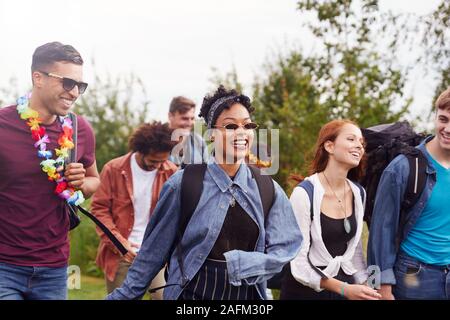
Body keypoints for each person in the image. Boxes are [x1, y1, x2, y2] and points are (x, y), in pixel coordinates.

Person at [107, 85, 302, 300]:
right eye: (230, 126)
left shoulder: (266, 187)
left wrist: (245, 265)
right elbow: (152, 254)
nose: (241, 133)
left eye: (247, 125)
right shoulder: (183, 184)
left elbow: (288, 246)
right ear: (211, 135)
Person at [0, 41, 99, 300]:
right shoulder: (2, 126)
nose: (75, 92)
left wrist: (81, 183)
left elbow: (94, 181)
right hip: (3, 266)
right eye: (68, 82)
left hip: (54, 269)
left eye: (80, 85)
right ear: (38, 78)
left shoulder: (81, 130)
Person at [281, 119, 381, 300]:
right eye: (351, 139)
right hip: (305, 292)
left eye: (361, 142)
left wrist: (366, 287)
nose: (359, 146)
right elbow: (298, 263)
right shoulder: (303, 194)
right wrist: (344, 289)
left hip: (344, 290)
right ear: (329, 146)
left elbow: (354, 253)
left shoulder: (359, 193)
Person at [368, 87, 450, 300]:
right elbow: (380, 233)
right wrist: (379, 288)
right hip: (414, 277)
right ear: (435, 117)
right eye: (443, 119)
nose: (447, 129)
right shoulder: (403, 167)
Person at [91, 121, 178, 300]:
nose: (159, 165)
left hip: (157, 253)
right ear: (141, 151)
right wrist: (120, 244)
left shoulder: (172, 172)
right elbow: (99, 211)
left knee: (166, 297)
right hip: (121, 254)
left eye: (163, 160)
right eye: (154, 161)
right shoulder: (113, 169)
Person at [168, 96, 208, 167]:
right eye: (184, 118)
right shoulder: (158, 141)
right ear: (170, 116)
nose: (189, 123)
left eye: (192, 118)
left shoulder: (198, 141)